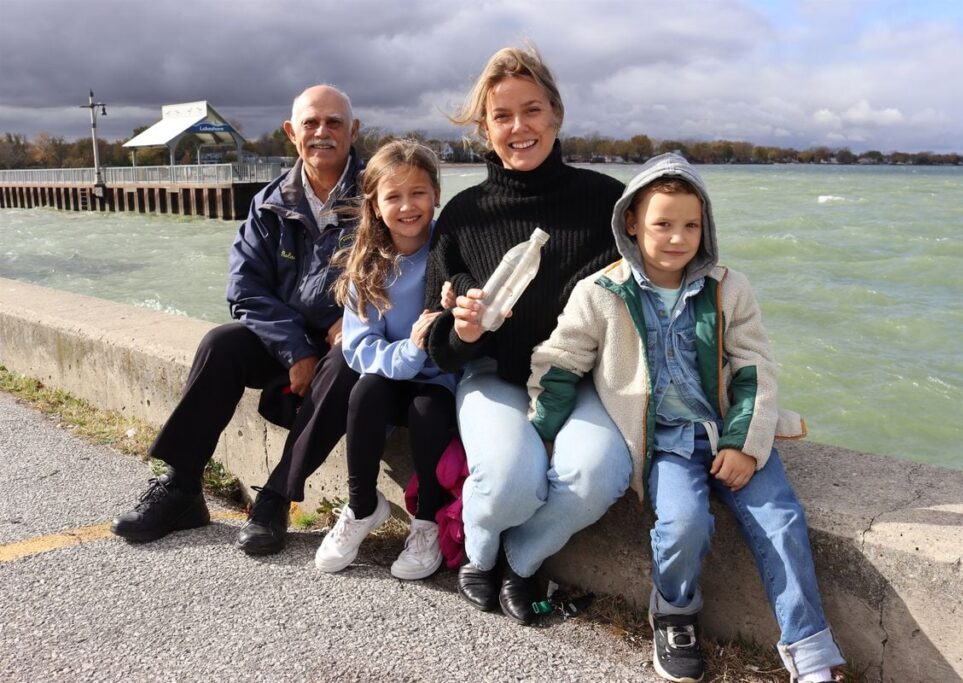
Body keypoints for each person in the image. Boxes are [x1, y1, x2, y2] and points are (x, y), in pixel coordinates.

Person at [527, 153, 845, 683]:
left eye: (691, 225)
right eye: (663, 224)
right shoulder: (601, 293)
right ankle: (673, 615)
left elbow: (755, 367)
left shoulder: (728, 287)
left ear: (706, 225)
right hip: (665, 444)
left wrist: (744, 443)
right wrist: (537, 434)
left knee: (782, 521)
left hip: (727, 430)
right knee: (683, 526)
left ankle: (810, 652)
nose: (678, 237)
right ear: (631, 222)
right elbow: (560, 364)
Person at [423, 45, 632, 626]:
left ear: (556, 115)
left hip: (582, 376)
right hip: (496, 374)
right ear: (485, 129)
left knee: (596, 474)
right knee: (513, 482)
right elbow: (435, 341)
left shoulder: (610, 203)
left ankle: (521, 558)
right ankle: (478, 551)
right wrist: (462, 331)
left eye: (532, 110)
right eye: (502, 116)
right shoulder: (464, 215)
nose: (520, 127)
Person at [111, 84, 366, 556]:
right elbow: (245, 289)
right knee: (220, 344)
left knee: (346, 359)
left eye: (334, 122)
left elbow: (407, 261)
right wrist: (296, 348)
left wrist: (357, 314)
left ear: (353, 130)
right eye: (311, 123)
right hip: (289, 340)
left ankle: (274, 499)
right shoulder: (269, 203)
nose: (322, 132)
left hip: (350, 341)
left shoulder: (379, 194)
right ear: (292, 133)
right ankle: (182, 487)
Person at [313, 139, 456, 580]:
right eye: (393, 196)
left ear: (436, 195)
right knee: (366, 391)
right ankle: (361, 506)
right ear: (374, 204)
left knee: (428, 408)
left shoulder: (450, 251)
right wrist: (409, 352)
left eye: (418, 193)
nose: (407, 206)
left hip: (441, 381)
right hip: (395, 371)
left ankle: (427, 521)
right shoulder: (369, 264)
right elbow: (358, 347)